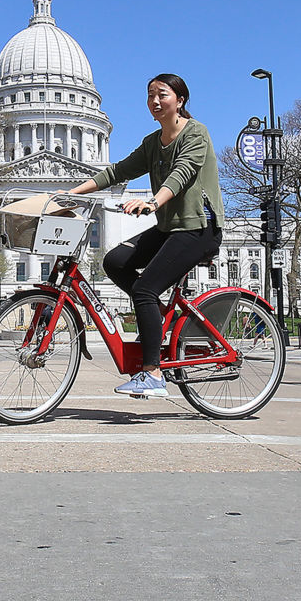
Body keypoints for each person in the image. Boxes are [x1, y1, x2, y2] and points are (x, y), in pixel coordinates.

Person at [66, 73, 223, 399]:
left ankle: (152, 374)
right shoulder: (153, 143)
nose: (154, 101)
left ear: (179, 100)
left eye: (161, 94)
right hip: (169, 228)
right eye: (150, 95)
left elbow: (182, 174)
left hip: (198, 227)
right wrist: (69, 194)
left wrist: (153, 202)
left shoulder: (197, 133)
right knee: (114, 262)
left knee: (145, 289)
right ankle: (156, 312)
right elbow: (116, 172)